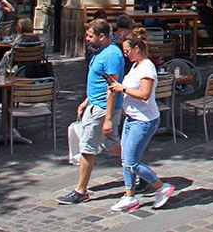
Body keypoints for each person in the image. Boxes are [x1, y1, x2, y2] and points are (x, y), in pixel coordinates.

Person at [58, 20, 125, 205]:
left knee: (87, 147)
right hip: (95, 105)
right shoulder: (100, 52)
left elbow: (112, 87)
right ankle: (138, 169)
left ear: (101, 36)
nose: (87, 39)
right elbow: (98, 82)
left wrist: (108, 119)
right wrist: (86, 100)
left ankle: (80, 191)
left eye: (90, 36)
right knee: (112, 144)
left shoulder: (111, 55)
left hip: (102, 109)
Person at [107, 33, 174, 211]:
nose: (125, 54)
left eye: (127, 50)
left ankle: (161, 187)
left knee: (131, 162)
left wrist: (123, 88)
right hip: (131, 118)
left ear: (137, 49)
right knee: (125, 159)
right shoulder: (136, 65)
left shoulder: (147, 69)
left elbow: (145, 94)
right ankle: (129, 196)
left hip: (143, 121)